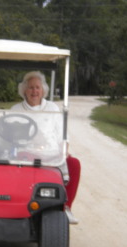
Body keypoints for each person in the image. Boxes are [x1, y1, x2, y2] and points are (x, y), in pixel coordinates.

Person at [11, 71, 80, 224]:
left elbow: (63, 134)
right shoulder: (16, 109)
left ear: (43, 90)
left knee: (73, 163)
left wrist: (64, 150)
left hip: (50, 151)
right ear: (24, 90)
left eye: (37, 88)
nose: (34, 91)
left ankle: (66, 207)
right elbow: (11, 136)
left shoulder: (52, 107)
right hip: (26, 151)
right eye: (30, 88)